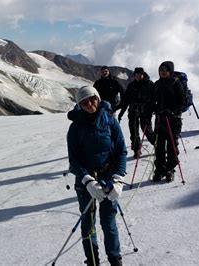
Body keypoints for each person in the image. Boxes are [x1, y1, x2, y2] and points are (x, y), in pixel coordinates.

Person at [67, 86, 127, 266]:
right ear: (79, 105)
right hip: (86, 182)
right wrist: (87, 181)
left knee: (109, 222)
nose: (89, 104)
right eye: (83, 102)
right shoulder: (75, 128)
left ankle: (115, 259)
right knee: (88, 224)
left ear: (98, 98)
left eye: (92, 99)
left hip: (108, 178)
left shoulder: (110, 121)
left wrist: (118, 178)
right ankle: (92, 261)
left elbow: (121, 152)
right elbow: (74, 160)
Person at [153, 61, 184, 182]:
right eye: (161, 70)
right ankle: (159, 169)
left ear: (170, 71)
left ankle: (170, 169)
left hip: (173, 121)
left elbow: (182, 102)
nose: (162, 72)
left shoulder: (176, 83)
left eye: (165, 70)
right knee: (159, 147)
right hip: (160, 120)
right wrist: (154, 108)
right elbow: (153, 100)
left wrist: (173, 111)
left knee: (172, 146)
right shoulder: (157, 84)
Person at [118, 67, 156, 159]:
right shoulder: (132, 85)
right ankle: (136, 150)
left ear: (143, 74)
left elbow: (154, 99)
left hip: (145, 112)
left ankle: (158, 146)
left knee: (147, 130)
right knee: (133, 131)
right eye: (136, 74)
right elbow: (126, 100)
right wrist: (121, 113)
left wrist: (151, 111)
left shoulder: (150, 84)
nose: (138, 76)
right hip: (133, 112)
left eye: (140, 74)